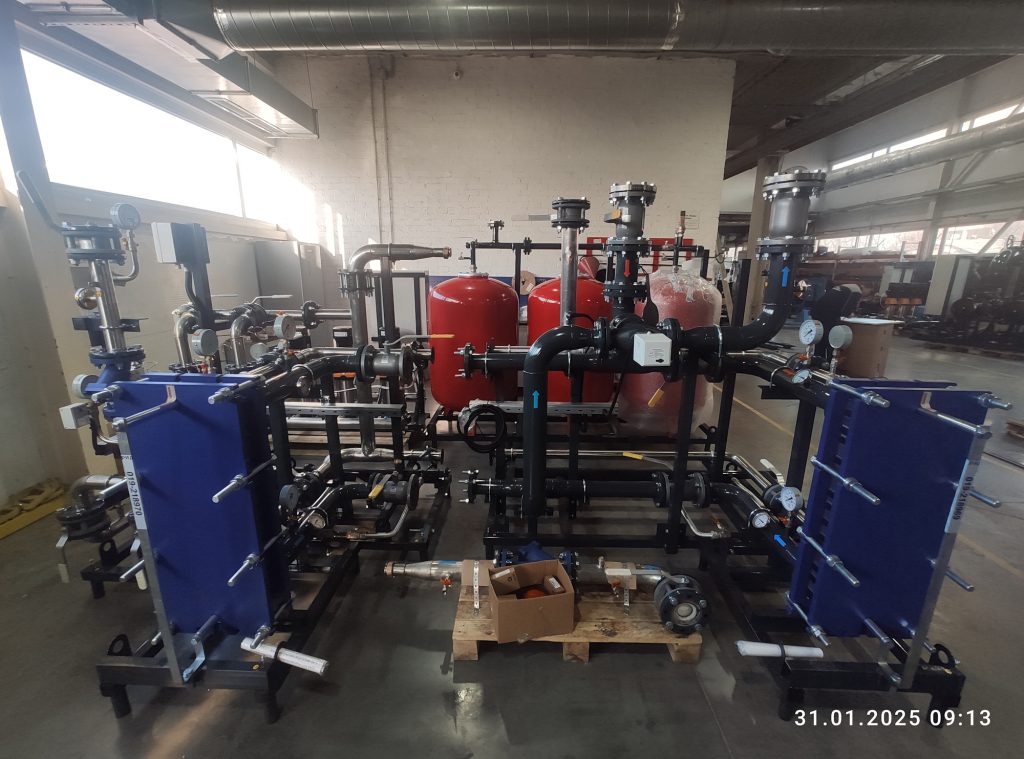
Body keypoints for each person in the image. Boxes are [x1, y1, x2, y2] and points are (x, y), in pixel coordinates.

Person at [809, 284, 861, 359]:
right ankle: (830, 361)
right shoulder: (857, 291)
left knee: (820, 336)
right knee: (831, 338)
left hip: (817, 311)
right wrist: (850, 314)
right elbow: (847, 308)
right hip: (829, 314)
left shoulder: (844, 287)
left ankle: (818, 360)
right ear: (866, 288)